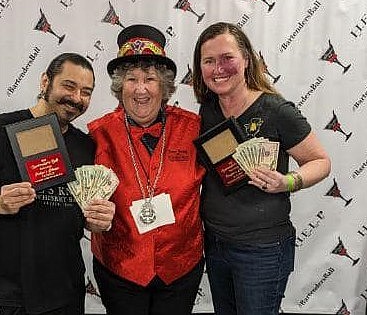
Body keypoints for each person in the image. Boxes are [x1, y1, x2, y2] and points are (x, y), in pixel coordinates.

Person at [0, 53, 115, 315]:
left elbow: (81, 215)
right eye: (69, 86)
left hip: (68, 292)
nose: (76, 98)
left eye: (86, 92)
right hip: (12, 296)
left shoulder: (86, 146)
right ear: (45, 81)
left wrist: (98, 220)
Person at [192, 22, 331, 315]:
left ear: (246, 59)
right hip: (215, 243)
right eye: (209, 61)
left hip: (262, 250)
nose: (218, 68)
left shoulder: (276, 110)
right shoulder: (208, 110)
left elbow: (321, 162)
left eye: (227, 58)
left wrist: (287, 181)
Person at [88, 24, 205, 315]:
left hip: (180, 267)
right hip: (120, 269)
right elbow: (78, 201)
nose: (140, 89)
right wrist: (89, 219)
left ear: (164, 87)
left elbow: (228, 176)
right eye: (131, 79)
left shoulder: (195, 130)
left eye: (150, 79)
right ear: (120, 87)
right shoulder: (97, 135)